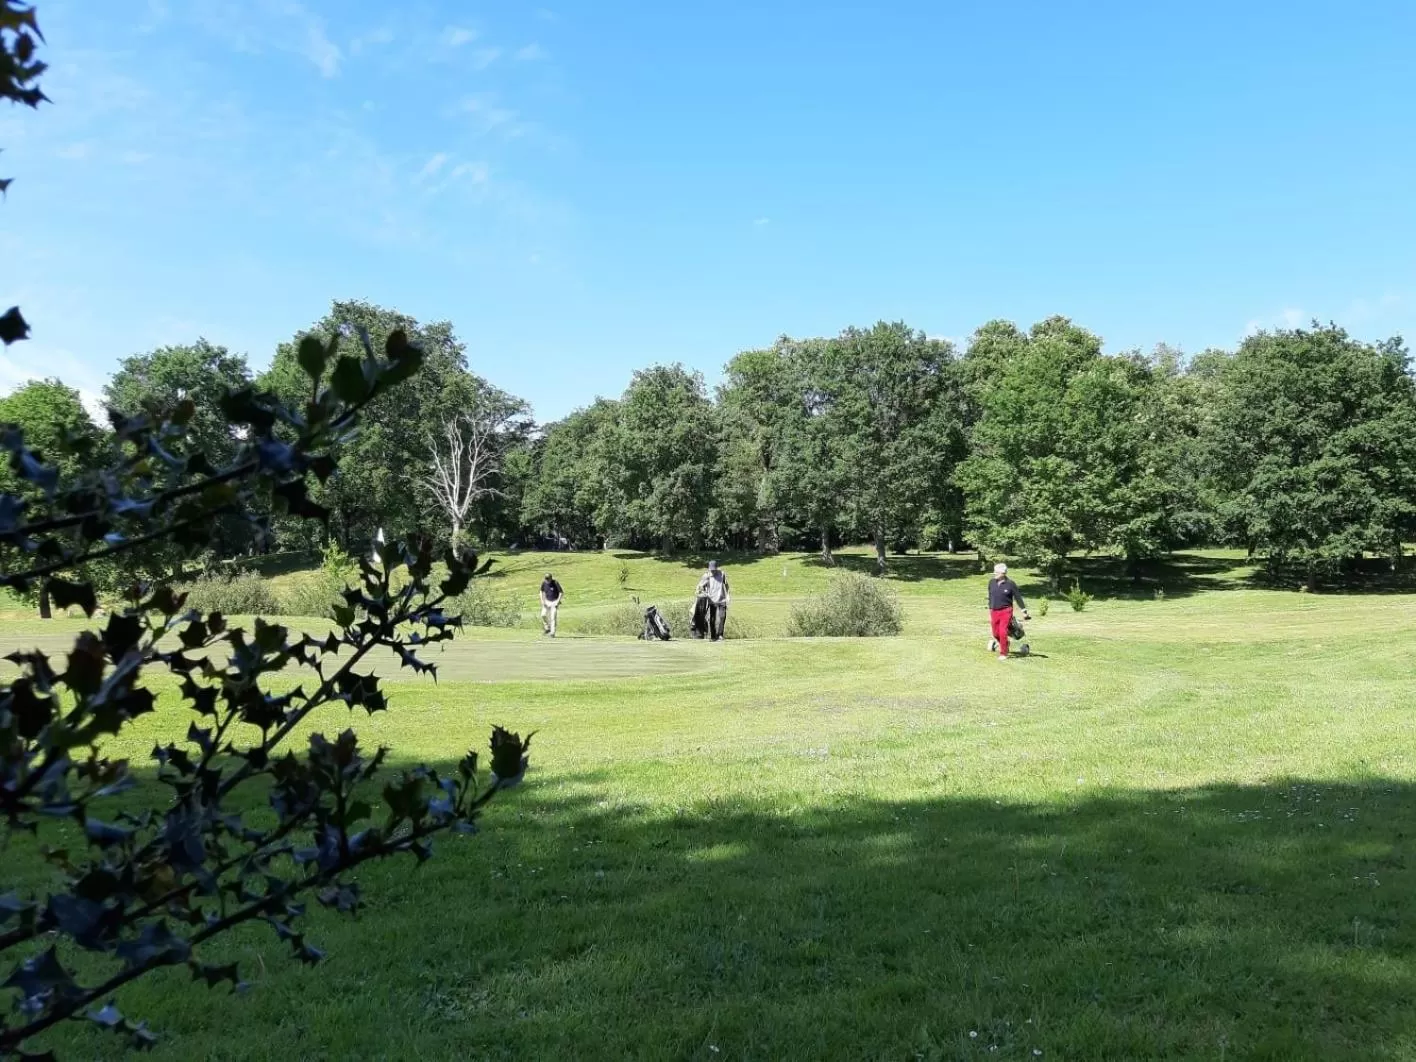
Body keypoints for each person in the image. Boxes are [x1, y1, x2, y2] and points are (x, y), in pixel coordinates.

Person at [988, 562, 1030, 660]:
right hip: (994, 611)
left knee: (1003, 631)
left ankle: (1004, 653)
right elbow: (990, 596)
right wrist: (990, 608)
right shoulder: (991, 582)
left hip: (1006, 611)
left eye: (996, 572)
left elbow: (1018, 598)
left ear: (1003, 573)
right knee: (995, 633)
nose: (994, 573)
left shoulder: (1010, 584)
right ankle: (1005, 644)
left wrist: (1024, 611)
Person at [695, 560, 730, 642]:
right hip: (712, 600)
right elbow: (699, 587)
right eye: (711, 570)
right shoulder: (706, 576)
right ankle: (713, 636)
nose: (713, 571)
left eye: (714, 570)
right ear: (709, 569)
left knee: (722, 617)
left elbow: (727, 585)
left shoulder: (722, 574)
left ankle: (720, 635)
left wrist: (728, 595)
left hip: (722, 599)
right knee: (712, 619)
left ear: (716, 568)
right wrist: (703, 593)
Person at [539, 572, 563, 637]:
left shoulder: (555, 583)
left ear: (551, 578)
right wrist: (542, 601)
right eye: (546, 579)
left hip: (554, 602)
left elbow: (561, 592)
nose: (547, 580)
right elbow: (541, 591)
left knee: (553, 617)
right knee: (543, 615)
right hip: (547, 601)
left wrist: (558, 601)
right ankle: (547, 628)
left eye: (548, 579)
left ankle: (552, 633)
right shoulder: (544, 583)